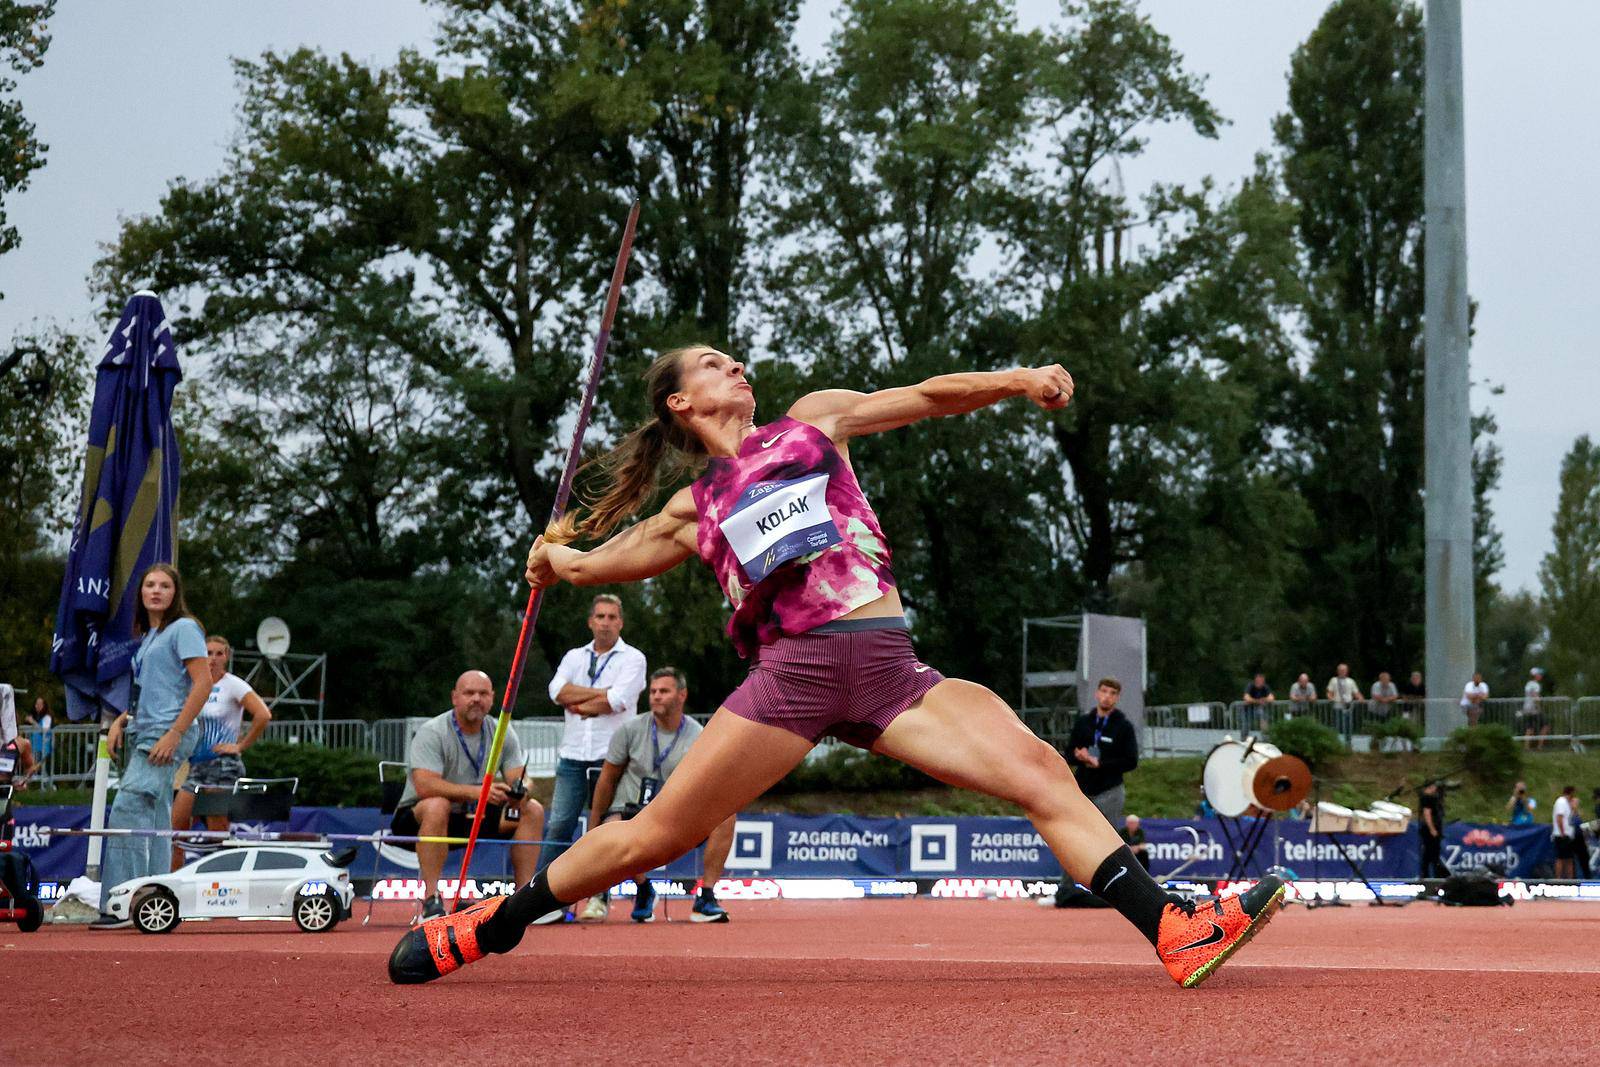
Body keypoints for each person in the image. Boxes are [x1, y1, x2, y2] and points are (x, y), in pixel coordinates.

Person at [388, 346, 1284, 989]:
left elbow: (930, 395)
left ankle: (1171, 927)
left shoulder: (814, 422)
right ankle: (491, 925)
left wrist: (1017, 379)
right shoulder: (692, 506)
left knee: (1045, 775)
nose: (737, 366)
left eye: (736, 360)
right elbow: (597, 562)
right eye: (713, 364)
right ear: (678, 404)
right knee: (653, 837)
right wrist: (557, 561)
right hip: (795, 675)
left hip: (890, 667)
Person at [96, 564, 210, 927]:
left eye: (164, 585)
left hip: (167, 732)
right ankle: (156, 902)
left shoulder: (184, 629)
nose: (156, 591)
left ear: (176, 593)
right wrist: (121, 719)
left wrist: (175, 733)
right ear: (141, 593)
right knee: (157, 818)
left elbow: (203, 683)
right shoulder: (150, 636)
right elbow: (153, 690)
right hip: (146, 729)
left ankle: (121, 904)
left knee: (128, 810)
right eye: (150, 585)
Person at [582, 668, 735, 924]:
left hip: (675, 812)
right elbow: (607, 778)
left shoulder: (698, 736)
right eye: (653, 692)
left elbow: (706, 786)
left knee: (726, 815)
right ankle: (642, 890)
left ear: (681, 695)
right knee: (612, 827)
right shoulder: (629, 730)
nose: (656, 697)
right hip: (631, 810)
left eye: (664, 691)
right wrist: (594, 823)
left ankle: (706, 896)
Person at [391, 670, 546, 919]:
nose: (476, 699)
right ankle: (431, 899)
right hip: (419, 818)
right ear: (455, 697)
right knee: (436, 805)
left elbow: (520, 776)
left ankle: (523, 900)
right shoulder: (433, 731)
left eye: (483, 693)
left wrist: (521, 790)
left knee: (533, 809)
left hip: (477, 815)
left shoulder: (501, 730)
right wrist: (479, 792)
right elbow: (425, 786)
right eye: (469, 693)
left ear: (493, 698)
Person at [538, 595, 648, 878]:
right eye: (600, 617)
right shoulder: (574, 656)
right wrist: (601, 693)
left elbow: (618, 700)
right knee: (559, 825)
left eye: (612, 617)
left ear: (621, 623)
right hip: (573, 754)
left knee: (605, 826)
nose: (606, 623)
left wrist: (580, 697)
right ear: (590, 622)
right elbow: (556, 692)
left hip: (611, 757)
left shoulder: (634, 658)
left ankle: (602, 896)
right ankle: (541, 895)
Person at [169, 635, 273, 869]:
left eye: (219, 653)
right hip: (196, 765)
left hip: (223, 763)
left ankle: (224, 880)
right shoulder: (193, 685)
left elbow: (263, 715)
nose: (213, 659)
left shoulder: (233, 684)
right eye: (208, 653)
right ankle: (172, 882)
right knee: (176, 828)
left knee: (217, 828)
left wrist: (240, 746)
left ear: (226, 657)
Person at [1418, 781, 1447, 879]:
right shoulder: (1426, 798)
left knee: (1431, 853)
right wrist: (1432, 829)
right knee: (1431, 852)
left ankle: (1428, 874)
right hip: (1430, 829)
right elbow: (1427, 813)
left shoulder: (1431, 798)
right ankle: (1432, 874)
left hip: (1433, 828)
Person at [1325, 664, 1362, 740]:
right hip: (1337, 707)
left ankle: (1348, 744)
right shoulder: (1333, 680)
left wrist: (1360, 698)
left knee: (1349, 726)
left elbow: (1356, 693)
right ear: (1337, 671)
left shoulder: (1351, 681)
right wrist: (1330, 698)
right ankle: (1337, 743)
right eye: (1340, 670)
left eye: (1344, 670)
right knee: (1337, 726)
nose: (1342, 671)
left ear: (1347, 671)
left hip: (1348, 707)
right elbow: (1329, 692)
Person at [1552, 786, 1579, 881]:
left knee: (1569, 859)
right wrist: (1563, 833)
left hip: (1568, 835)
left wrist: (1574, 808)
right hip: (1561, 835)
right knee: (1561, 858)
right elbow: (1559, 818)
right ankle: (1559, 878)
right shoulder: (1561, 801)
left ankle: (1569, 879)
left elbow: (1573, 818)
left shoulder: (1568, 804)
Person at [23, 696, 52, 785]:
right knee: (35, 767)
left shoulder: (47, 717)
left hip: (43, 746)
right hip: (34, 746)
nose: (37, 706)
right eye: (36, 704)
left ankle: (48, 786)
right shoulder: (35, 716)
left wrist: (32, 722)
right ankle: (42, 785)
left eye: (40, 704)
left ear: (44, 706)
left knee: (39, 767)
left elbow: (44, 730)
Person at [1519, 668, 1549, 750]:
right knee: (1545, 726)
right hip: (1534, 709)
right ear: (1535, 675)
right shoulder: (1536, 685)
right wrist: (1539, 706)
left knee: (1530, 728)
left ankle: (1526, 747)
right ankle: (1539, 746)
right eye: (1539, 674)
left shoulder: (1528, 684)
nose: (1541, 676)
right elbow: (1535, 695)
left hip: (1527, 707)